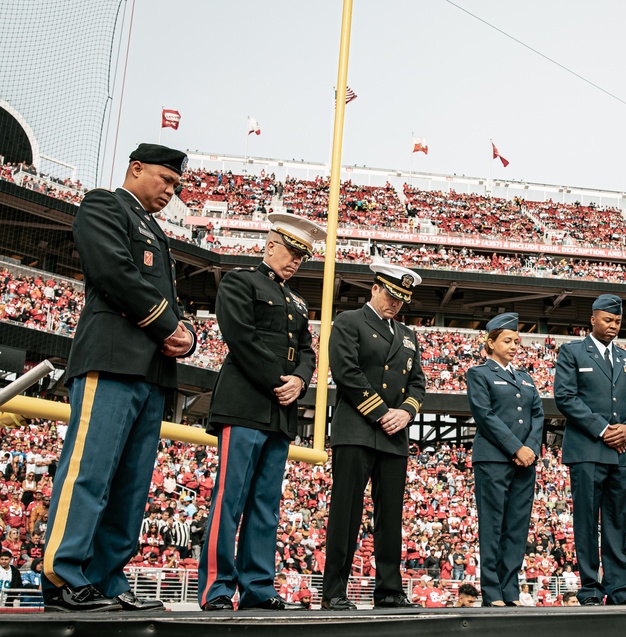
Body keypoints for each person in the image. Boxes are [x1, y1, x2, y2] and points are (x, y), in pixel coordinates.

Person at [43, 144, 195, 612]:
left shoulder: (155, 231)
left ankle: (107, 579)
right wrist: (167, 323)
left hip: (151, 372)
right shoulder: (104, 204)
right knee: (90, 471)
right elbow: (112, 268)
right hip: (111, 359)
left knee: (130, 484)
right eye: (165, 180)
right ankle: (65, 576)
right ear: (136, 168)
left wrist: (185, 332)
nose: (171, 191)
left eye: (176, 185)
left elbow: (165, 296)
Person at [198, 213, 321, 612]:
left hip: (280, 410)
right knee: (229, 499)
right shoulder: (240, 281)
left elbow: (307, 351)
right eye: (292, 252)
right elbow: (241, 337)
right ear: (270, 246)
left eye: (303, 257)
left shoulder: (297, 300)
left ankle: (258, 586)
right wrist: (281, 381)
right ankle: (217, 588)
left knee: (266, 504)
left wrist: (301, 380)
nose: (297, 261)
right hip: (247, 402)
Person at [321, 262, 425, 611]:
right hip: (357, 430)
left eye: (402, 300)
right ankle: (334, 591)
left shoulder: (408, 335)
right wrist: (383, 413)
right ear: (375, 289)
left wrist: (406, 412)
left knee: (390, 517)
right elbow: (346, 371)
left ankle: (389, 591)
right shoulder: (350, 322)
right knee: (346, 514)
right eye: (392, 295)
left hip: (394, 435)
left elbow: (418, 383)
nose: (396, 304)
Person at [554, 294, 626, 606]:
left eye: (618, 321)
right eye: (608, 320)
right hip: (588, 450)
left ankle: (621, 590)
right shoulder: (572, 352)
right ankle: (591, 589)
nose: (613, 326)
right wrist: (604, 428)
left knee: (619, 524)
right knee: (586, 523)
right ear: (593, 319)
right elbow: (565, 397)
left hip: (623, 452)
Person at [466, 312, 544, 607]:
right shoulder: (479, 373)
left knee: (517, 527)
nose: (514, 345)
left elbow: (537, 413)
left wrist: (531, 448)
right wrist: (516, 448)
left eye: (517, 341)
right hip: (494, 460)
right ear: (491, 342)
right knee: (493, 525)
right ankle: (492, 590)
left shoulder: (524, 377)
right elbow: (484, 416)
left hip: (526, 461)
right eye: (508, 340)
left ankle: (510, 589)